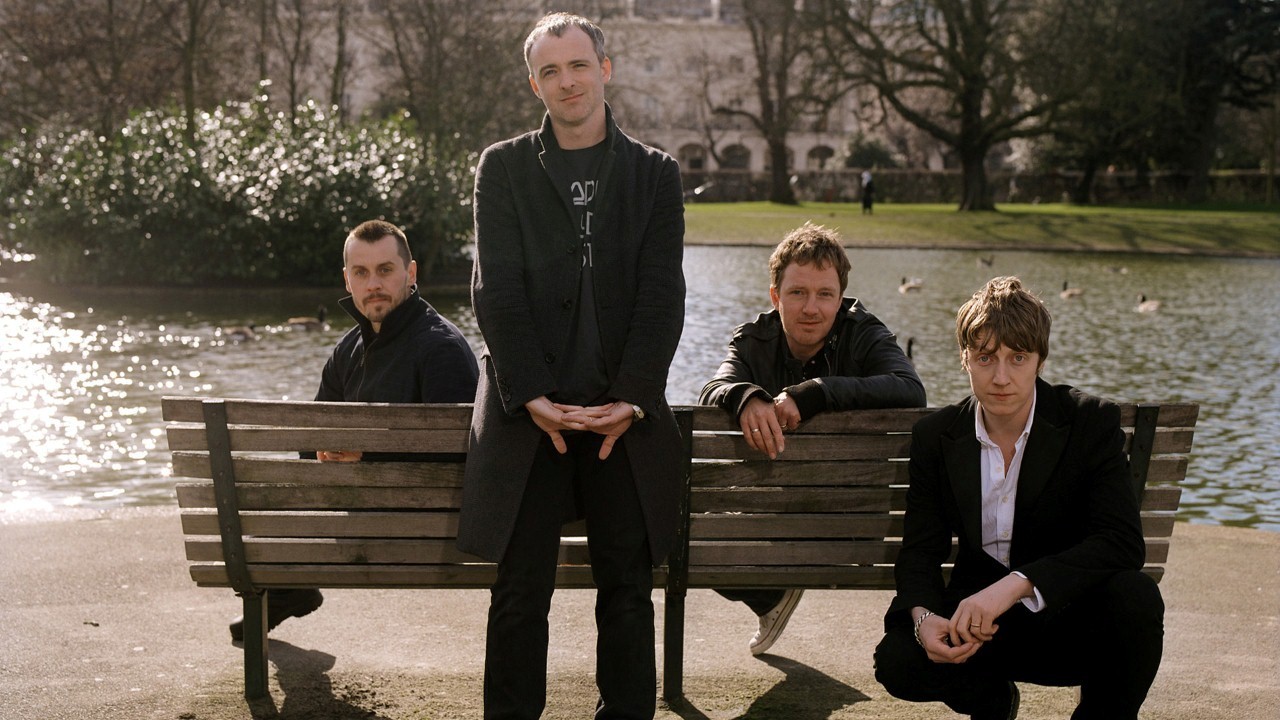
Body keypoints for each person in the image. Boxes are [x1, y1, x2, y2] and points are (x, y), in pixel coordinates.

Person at [456, 12, 686, 720]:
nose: (567, 81)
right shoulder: (503, 167)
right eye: (550, 71)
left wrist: (634, 397)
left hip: (621, 414)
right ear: (535, 84)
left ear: (604, 70)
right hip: (531, 413)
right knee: (520, 591)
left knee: (627, 590)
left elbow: (661, 295)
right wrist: (530, 393)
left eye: (579, 65)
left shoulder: (654, 173)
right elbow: (495, 291)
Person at [873, 276, 1164, 719]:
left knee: (1137, 600)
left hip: (1066, 618)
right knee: (897, 660)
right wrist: (923, 619)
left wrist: (1014, 586)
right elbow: (919, 552)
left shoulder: (1089, 422)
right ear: (965, 359)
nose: (1001, 377)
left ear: (1040, 360)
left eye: (1018, 357)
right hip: (978, 629)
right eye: (985, 358)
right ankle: (993, 702)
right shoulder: (936, 436)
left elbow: (1121, 543)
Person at [227, 219, 480, 642]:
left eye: (385, 270)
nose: (373, 284)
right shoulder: (347, 349)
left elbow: (460, 462)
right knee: (273, 486)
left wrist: (367, 458)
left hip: (425, 529)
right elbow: (310, 442)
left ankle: (285, 587)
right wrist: (326, 452)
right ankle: (289, 588)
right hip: (364, 514)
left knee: (255, 499)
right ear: (347, 280)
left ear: (410, 273)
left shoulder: (441, 349)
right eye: (361, 273)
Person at [700, 222, 926, 656]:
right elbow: (715, 388)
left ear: (841, 299)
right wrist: (745, 397)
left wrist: (818, 392)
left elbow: (910, 389)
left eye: (825, 294)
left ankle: (770, 598)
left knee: (694, 534)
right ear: (775, 296)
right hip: (783, 516)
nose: (811, 307)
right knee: (694, 530)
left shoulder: (864, 333)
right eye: (797, 293)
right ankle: (771, 598)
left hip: (849, 526)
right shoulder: (753, 339)